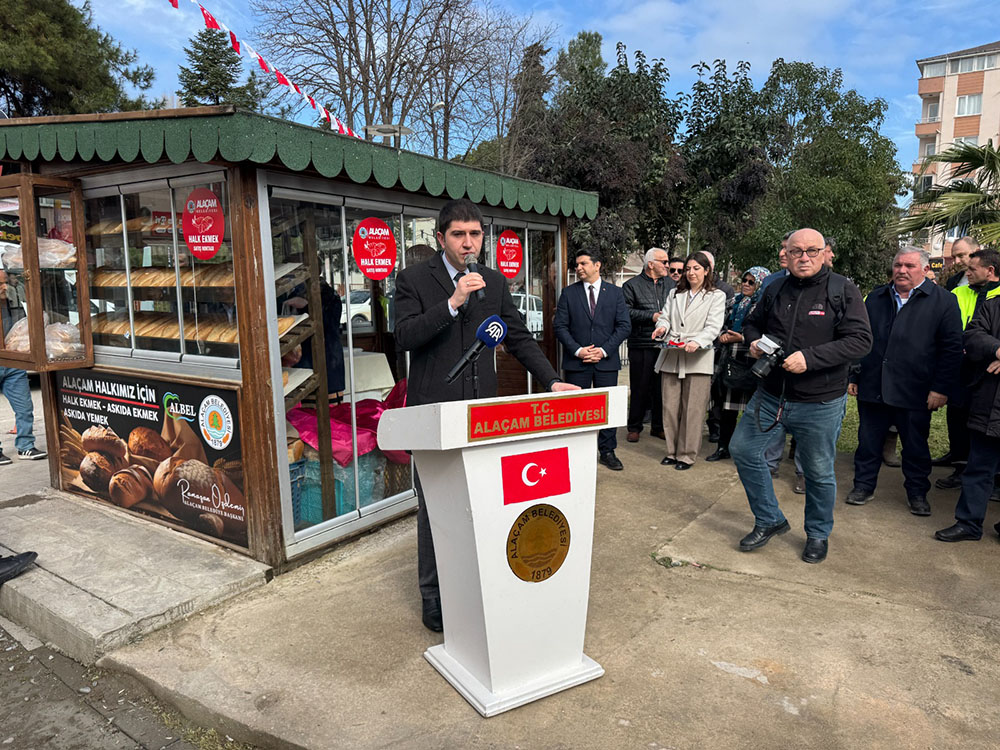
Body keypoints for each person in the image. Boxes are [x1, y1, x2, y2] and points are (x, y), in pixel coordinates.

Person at [394, 199, 579, 632]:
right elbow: (404, 335)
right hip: (434, 414)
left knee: (480, 505)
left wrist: (552, 381)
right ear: (441, 238)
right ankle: (434, 596)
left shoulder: (494, 282)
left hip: (482, 415)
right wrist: (453, 302)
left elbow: (518, 337)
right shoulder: (413, 279)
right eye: (458, 234)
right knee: (434, 510)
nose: (468, 243)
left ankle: (474, 585)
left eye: (475, 234)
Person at [728, 229, 872, 564]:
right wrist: (753, 341)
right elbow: (752, 324)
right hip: (771, 394)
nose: (803, 257)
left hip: (820, 400)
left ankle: (818, 533)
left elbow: (861, 341)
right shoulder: (774, 288)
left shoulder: (842, 290)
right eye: (796, 251)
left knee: (818, 471)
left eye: (811, 251)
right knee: (743, 449)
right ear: (786, 254)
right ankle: (769, 518)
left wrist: (810, 358)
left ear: (825, 253)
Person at [845, 248, 962, 516]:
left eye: (909, 266)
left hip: (916, 389)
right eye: (898, 265)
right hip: (874, 385)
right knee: (868, 443)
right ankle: (863, 486)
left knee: (915, 446)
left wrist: (941, 388)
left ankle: (917, 493)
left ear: (925, 270)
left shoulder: (943, 301)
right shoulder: (876, 298)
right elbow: (861, 339)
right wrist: (854, 374)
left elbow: (951, 349)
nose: (902, 270)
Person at [554, 250, 631, 470]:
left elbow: (624, 326)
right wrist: (578, 350)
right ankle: (576, 452)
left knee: (607, 409)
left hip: (606, 362)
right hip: (577, 362)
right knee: (575, 410)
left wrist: (603, 351)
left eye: (583, 263)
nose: (578, 268)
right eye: (577, 264)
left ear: (597, 265)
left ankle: (607, 451)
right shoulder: (569, 293)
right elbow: (560, 326)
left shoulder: (615, 293)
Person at [651, 251, 726, 470]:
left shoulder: (716, 295)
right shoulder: (675, 293)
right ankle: (672, 451)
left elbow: (714, 326)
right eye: (688, 269)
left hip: (698, 358)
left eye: (696, 268)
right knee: (670, 407)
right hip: (672, 355)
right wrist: (661, 327)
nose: (691, 273)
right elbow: (665, 317)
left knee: (693, 409)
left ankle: (686, 455)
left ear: (707, 271)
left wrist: (698, 341)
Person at [934, 295, 1000, 542]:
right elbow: (972, 337)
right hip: (988, 404)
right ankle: (969, 523)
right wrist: (997, 350)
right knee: (978, 468)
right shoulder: (993, 306)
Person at [934, 248, 1000, 490]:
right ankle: (960, 467)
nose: (967, 273)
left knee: (984, 426)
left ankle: (991, 477)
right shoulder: (958, 292)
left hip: (988, 372)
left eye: (972, 269)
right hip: (960, 367)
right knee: (958, 418)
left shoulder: (997, 299)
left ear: (990, 271)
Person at [706, 267, 770, 462]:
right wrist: (723, 335)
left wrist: (742, 338)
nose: (746, 285)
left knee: (753, 411)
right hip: (730, 361)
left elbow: (769, 334)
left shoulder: (765, 306)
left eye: (752, 282)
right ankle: (723, 447)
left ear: (760, 285)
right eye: (744, 280)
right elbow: (717, 323)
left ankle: (751, 453)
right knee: (727, 408)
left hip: (753, 362)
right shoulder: (733, 302)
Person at [622, 248, 673, 443]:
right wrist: (651, 317)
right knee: (640, 387)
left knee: (661, 389)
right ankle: (634, 427)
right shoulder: (631, 285)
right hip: (641, 344)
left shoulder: (672, 285)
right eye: (664, 262)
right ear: (651, 264)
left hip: (665, 345)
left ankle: (658, 427)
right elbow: (626, 312)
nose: (667, 265)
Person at [0, 269, 47, 463]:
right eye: (0, 284)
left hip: (13, 361)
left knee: (25, 407)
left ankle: (26, 446)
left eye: (5, 282)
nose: (5, 287)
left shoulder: (13, 302)